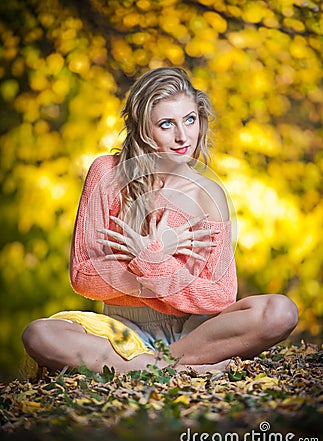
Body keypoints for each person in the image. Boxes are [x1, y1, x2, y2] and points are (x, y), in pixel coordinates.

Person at [22, 67, 298, 375]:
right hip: (121, 328)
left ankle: (153, 365)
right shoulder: (107, 174)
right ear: (142, 129)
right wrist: (158, 260)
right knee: (39, 334)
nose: (183, 136)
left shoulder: (209, 193)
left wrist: (150, 261)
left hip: (195, 332)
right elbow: (84, 275)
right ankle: (168, 368)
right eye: (166, 124)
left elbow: (219, 295)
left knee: (280, 311)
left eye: (190, 120)